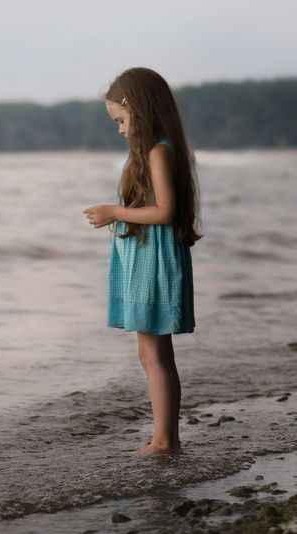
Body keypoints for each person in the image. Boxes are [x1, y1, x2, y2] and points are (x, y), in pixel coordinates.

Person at [83, 67, 201, 454]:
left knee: (154, 354)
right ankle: (165, 437)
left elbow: (165, 211)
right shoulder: (156, 150)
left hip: (154, 261)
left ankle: (165, 441)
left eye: (121, 120)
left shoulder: (158, 151)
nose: (120, 130)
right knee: (152, 353)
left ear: (139, 109)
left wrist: (114, 212)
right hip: (146, 258)